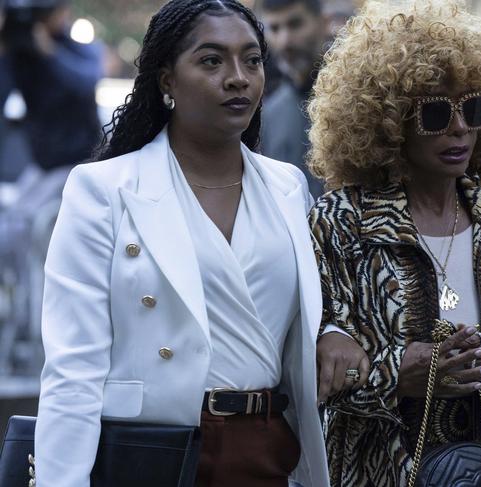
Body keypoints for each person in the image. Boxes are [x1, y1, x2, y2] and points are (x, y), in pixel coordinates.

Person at [33, 1, 366, 486]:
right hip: (153, 456)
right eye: (211, 61)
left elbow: (314, 306)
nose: (238, 78)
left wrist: (335, 329)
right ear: (166, 80)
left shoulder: (288, 187)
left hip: (268, 453)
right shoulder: (104, 190)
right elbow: (72, 370)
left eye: (251, 60)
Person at [308, 1, 481, 486]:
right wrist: (398, 373)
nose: (460, 127)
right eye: (436, 113)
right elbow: (311, 365)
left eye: (474, 108)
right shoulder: (341, 223)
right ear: (390, 122)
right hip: (380, 470)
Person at [0, 0, 102, 172]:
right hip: (44, 161)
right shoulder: (19, 52)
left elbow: (87, 81)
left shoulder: (72, 44)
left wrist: (49, 52)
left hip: (79, 158)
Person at [259, 0, 327, 196]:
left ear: (322, 23)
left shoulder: (360, 97)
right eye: (274, 28)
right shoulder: (268, 114)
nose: (285, 41)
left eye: (295, 24)